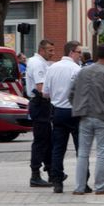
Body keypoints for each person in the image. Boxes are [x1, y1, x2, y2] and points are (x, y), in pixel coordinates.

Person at [70, 44, 104, 195]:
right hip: (103, 117)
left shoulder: (83, 72)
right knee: (102, 152)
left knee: (83, 153)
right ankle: (100, 186)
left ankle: (79, 187)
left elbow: (71, 93)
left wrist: (77, 107)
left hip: (85, 115)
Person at [43, 40, 85, 193]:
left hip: (57, 111)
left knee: (58, 148)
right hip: (74, 112)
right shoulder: (77, 69)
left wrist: (57, 96)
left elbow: (45, 93)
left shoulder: (52, 68)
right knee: (81, 148)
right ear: (72, 52)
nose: (81, 55)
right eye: (79, 52)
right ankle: (83, 182)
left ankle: (57, 182)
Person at [25, 40, 55, 187]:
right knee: (41, 141)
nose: (52, 53)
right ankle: (35, 175)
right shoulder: (38, 64)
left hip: (40, 105)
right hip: (40, 104)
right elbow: (41, 89)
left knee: (47, 140)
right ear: (42, 50)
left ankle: (51, 171)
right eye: (50, 50)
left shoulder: (38, 62)